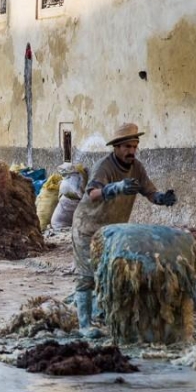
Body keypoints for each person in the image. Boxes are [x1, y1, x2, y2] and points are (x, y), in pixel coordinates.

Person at [71, 123, 177, 336]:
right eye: (127, 146)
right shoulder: (105, 166)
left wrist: (161, 199)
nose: (132, 151)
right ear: (117, 147)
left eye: (135, 146)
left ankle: (104, 314)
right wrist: (115, 187)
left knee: (110, 272)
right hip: (88, 226)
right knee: (87, 276)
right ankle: (84, 325)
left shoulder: (137, 167)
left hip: (112, 231)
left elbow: (149, 191)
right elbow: (92, 193)